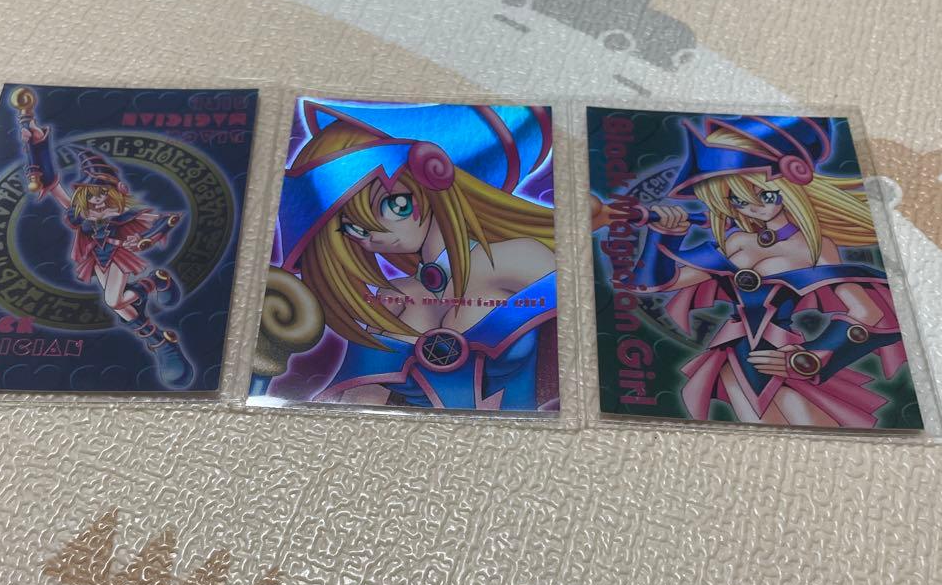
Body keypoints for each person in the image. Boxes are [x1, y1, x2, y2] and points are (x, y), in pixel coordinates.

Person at [613, 114, 913, 427]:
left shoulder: (813, 245)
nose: (753, 206)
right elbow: (654, 284)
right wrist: (664, 235)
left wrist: (811, 357)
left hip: (782, 358)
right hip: (734, 359)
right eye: (739, 200)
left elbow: (866, 311)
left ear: (791, 188)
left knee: (809, 428)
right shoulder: (736, 241)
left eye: (765, 195)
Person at [273, 100, 558, 410]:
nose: (372, 236)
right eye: (353, 228)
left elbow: (576, 350)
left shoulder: (515, 258)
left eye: (393, 205)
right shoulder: (395, 298)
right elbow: (357, 401)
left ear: (433, 183)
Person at [11, 87, 193, 388]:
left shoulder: (123, 217)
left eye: (102, 196)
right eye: (91, 196)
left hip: (118, 255)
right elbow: (53, 185)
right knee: (120, 305)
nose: (96, 201)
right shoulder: (80, 215)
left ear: (116, 194)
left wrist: (143, 241)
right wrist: (39, 145)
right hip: (95, 258)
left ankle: (155, 307)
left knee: (114, 299)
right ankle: (160, 328)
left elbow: (167, 221)